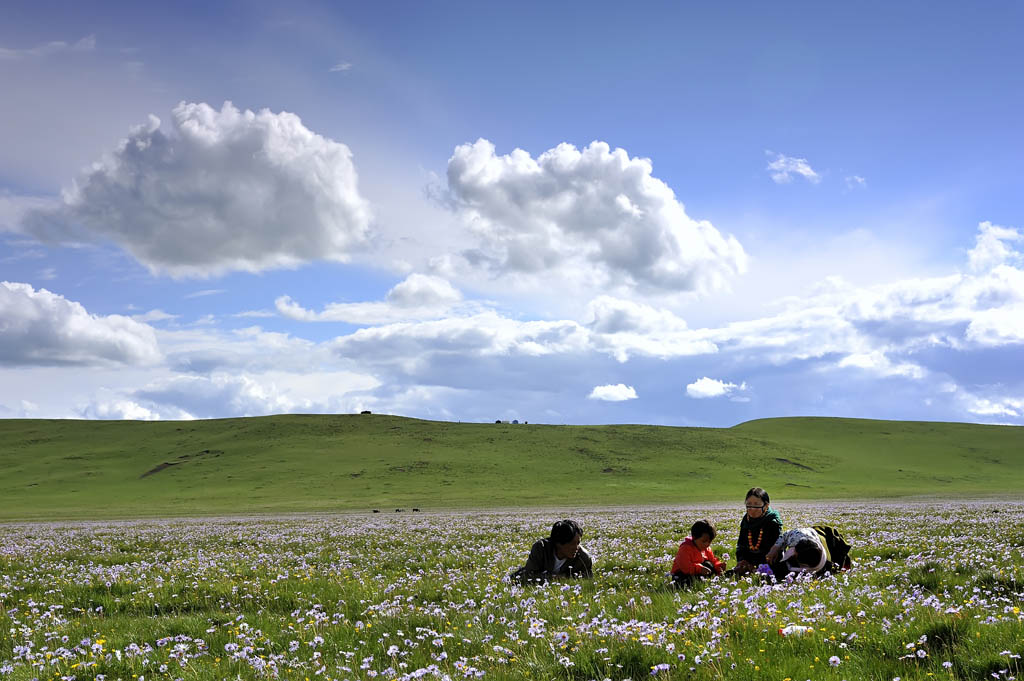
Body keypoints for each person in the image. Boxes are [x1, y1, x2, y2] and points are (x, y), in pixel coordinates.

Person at [511, 519, 593, 584]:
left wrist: (565, 579)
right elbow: (529, 575)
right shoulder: (541, 548)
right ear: (558, 543)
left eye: (578, 543)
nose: (576, 548)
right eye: (572, 544)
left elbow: (586, 580)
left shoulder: (583, 558)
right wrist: (554, 578)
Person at [765, 525, 853, 579]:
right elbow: (785, 535)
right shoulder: (794, 537)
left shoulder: (827, 559)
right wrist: (775, 548)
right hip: (805, 535)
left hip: (822, 536)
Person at [732, 487, 783, 576]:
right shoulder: (746, 520)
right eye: (749, 504)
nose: (752, 508)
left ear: (766, 506)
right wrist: (742, 560)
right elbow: (741, 545)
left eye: (756, 504)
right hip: (750, 560)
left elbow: (775, 551)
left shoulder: (773, 522)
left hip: (769, 561)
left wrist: (756, 566)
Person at [671, 519, 726, 587]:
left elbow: (713, 561)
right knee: (684, 580)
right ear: (694, 537)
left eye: (709, 542)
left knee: (709, 565)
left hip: (698, 573)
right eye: (704, 541)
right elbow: (685, 567)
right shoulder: (685, 548)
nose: (707, 544)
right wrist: (699, 569)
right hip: (681, 574)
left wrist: (719, 566)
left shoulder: (707, 549)